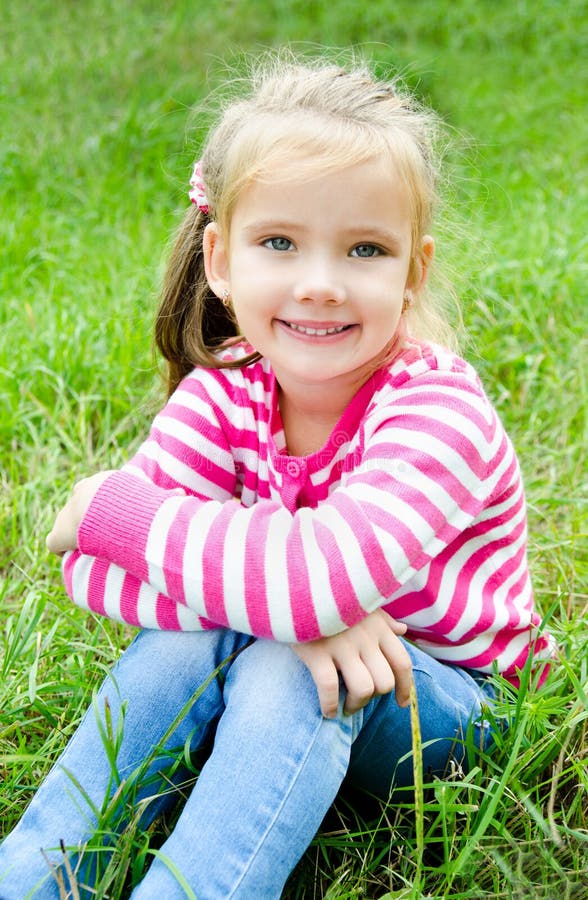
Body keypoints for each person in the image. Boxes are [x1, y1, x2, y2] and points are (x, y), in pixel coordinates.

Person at [0, 52, 554, 899]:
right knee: (209, 642)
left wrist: (118, 511)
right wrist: (290, 607)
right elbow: (97, 573)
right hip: (299, 653)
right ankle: (35, 877)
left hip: (455, 710)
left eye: (365, 248)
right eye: (279, 242)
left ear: (414, 271)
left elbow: (155, 547)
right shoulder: (224, 391)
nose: (321, 283)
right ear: (220, 258)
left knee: (286, 661)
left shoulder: (438, 409)